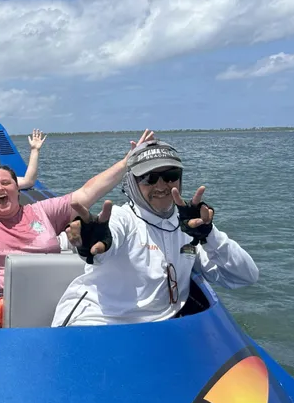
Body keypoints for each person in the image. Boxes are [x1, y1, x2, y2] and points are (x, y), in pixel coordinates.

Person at [51, 139, 259, 326]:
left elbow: (246, 276)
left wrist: (208, 234)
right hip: (98, 320)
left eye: (170, 176)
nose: (161, 186)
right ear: (132, 182)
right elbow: (105, 244)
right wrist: (92, 242)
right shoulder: (122, 218)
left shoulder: (189, 225)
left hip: (157, 329)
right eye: (148, 178)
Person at [0, 129, 159, 299]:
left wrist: (126, 162)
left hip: (51, 299)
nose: (0, 188)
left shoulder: (42, 211)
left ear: (17, 188)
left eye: (6, 183)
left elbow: (86, 192)